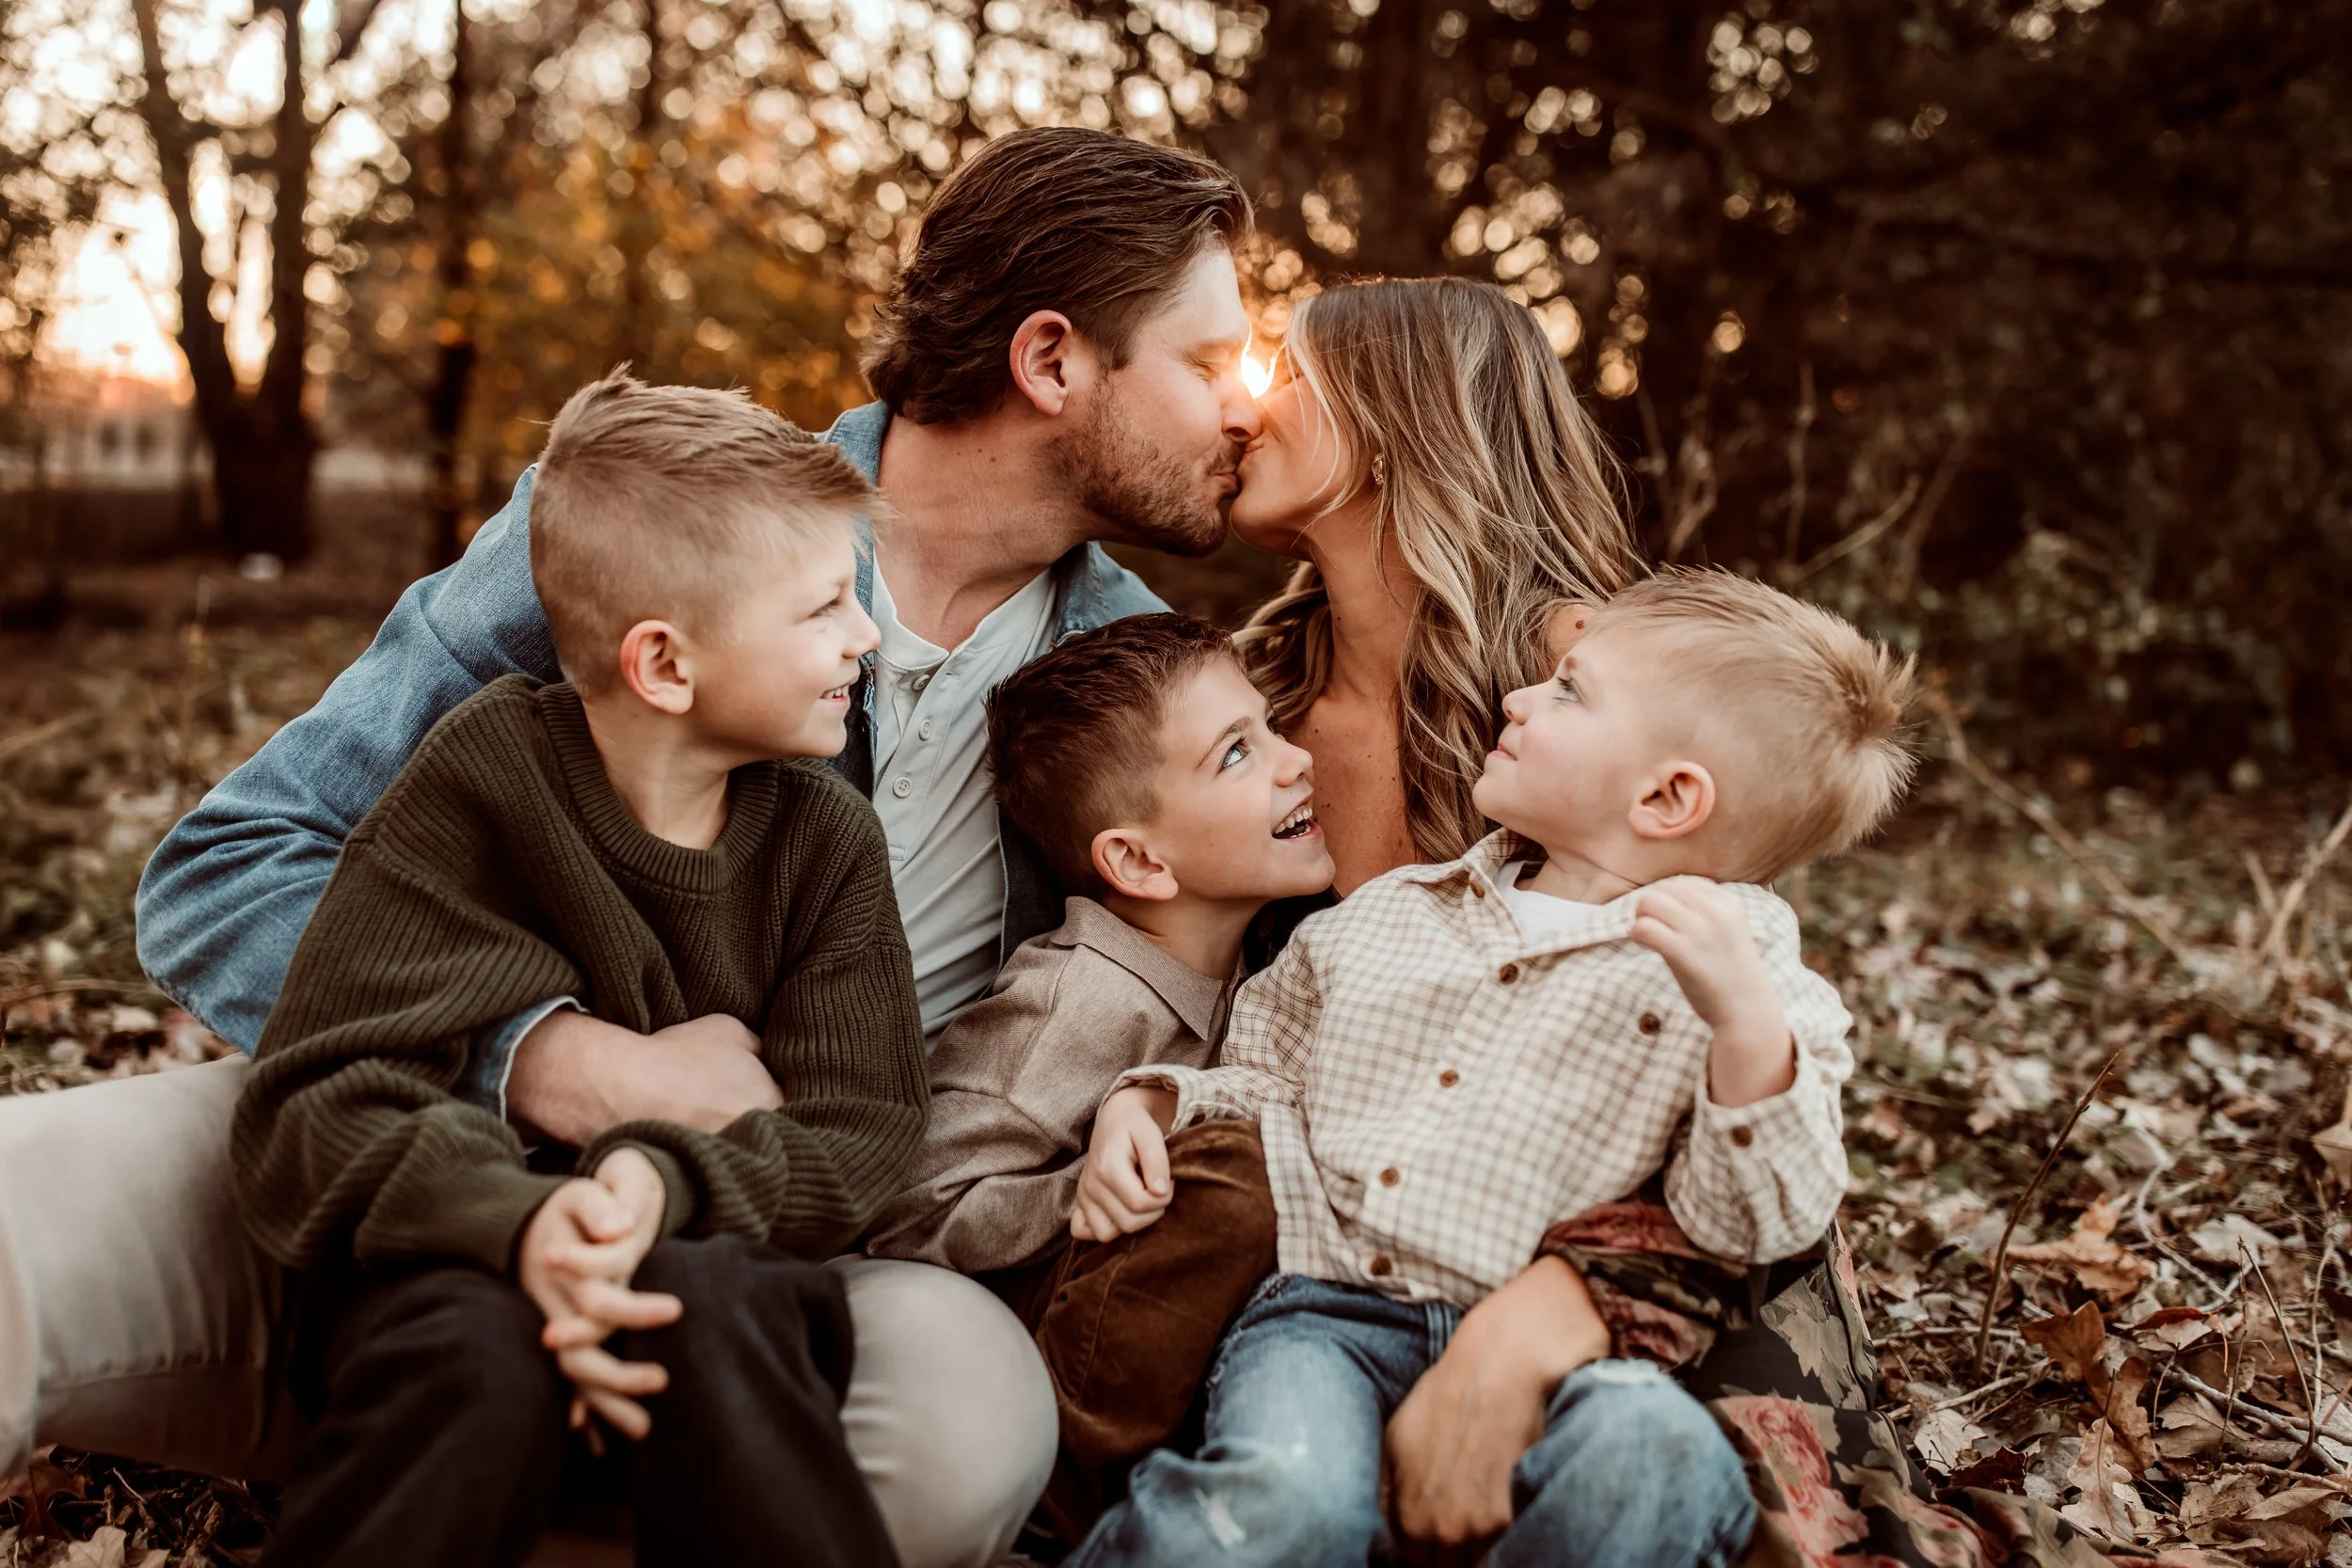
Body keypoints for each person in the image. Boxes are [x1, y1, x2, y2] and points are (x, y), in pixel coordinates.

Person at [0, 125, 1259, 1568]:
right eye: (1209, 362)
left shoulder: (1142, 684)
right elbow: (235, 864)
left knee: (963, 1430)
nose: (1245, 411)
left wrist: (1154, 1093)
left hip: (801, 1238)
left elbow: (1272, 991)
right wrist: (551, 1056)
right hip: (426, 1149)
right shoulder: (650, 529)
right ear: (1052, 361)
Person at [1067, 568, 1922, 1568]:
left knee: (1655, 1454)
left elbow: (1758, 1219)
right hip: (1329, 1316)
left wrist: (1743, 1030)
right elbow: (1266, 1078)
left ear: (1666, 795)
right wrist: (1155, 1097)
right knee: (1278, 1497)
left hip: (1583, 1362)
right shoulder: (1391, 916)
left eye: (1569, 690)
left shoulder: (1746, 975)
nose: (1519, 696)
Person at [235, 373, 924, 1568]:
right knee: (469, 1349)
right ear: (664, 664)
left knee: (708, 1308)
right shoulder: (481, 782)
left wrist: (656, 1184)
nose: (866, 634)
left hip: (712, 1266)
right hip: (450, 1272)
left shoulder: (825, 840)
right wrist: (522, 1223)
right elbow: (316, 1101)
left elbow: (860, 1124)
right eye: (825, 607)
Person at [861, 612, 1333, 1538]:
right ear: (1139, 860)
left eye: (1269, 725)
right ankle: (1058, 1515)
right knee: (1233, 1185)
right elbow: (907, 1206)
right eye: (1236, 754)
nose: (1295, 759)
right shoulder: (1077, 998)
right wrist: (1076, 1194)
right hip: (1028, 1361)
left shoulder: (1269, 959)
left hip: (1146, 1344)